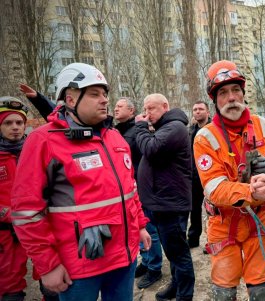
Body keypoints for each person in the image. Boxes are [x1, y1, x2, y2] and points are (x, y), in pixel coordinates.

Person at [11, 62, 151, 301]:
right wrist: (48, 265)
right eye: (95, 94)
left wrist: (139, 225)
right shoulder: (43, 141)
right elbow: (26, 211)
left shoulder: (115, 138)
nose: (105, 100)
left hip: (123, 260)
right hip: (79, 268)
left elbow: (130, 189)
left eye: (105, 94)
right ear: (71, 99)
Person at [193, 60, 265, 300]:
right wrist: (252, 193)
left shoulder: (264, 126)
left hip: (261, 220)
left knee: (261, 289)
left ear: (243, 94)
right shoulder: (205, 138)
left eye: (236, 90)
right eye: (223, 93)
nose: (231, 97)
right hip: (225, 224)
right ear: (214, 100)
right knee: (224, 292)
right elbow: (214, 189)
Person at [135, 93, 195, 301]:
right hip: (163, 202)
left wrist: (141, 128)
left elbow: (151, 149)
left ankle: (185, 295)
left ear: (165, 106)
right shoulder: (165, 128)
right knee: (173, 252)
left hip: (171, 204)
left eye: (151, 108)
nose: (146, 113)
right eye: (145, 109)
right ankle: (177, 286)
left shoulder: (175, 127)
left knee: (179, 253)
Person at [113, 97, 163, 289]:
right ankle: (147, 261)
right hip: (128, 189)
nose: (115, 109)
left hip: (142, 188)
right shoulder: (119, 130)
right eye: (115, 106)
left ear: (132, 110)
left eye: (120, 106)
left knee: (149, 229)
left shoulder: (138, 131)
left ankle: (155, 268)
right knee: (136, 227)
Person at [0, 97, 28, 301]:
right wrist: (8, 214)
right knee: (9, 281)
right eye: (8, 123)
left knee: (50, 276)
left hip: (37, 224)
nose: (15, 127)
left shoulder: (33, 151)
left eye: (19, 122)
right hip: (6, 230)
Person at [187, 100, 211, 249]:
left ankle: (213, 239)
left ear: (208, 112)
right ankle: (193, 237)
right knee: (194, 209)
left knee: (212, 209)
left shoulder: (214, 129)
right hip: (194, 176)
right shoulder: (190, 130)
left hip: (211, 175)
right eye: (195, 109)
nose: (197, 111)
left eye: (200, 109)